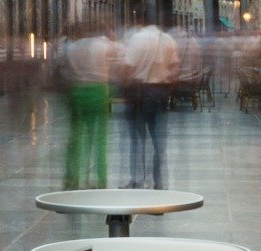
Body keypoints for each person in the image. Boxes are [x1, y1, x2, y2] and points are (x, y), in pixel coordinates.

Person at [61, 22, 117, 190]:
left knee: (77, 137)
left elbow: (67, 70)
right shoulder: (103, 45)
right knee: (100, 139)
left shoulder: (71, 48)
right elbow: (118, 55)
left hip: (79, 92)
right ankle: (100, 179)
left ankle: (73, 178)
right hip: (99, 92)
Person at [121, 23, 177, 188]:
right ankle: (159, 183)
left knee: (138, 139)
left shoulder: (137, 38)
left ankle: (138, 180)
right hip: (159, 93)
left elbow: (128, 69)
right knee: (159, 141)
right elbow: (175, 69)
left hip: (139, 94)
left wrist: (125, 87)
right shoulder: (167, 39)